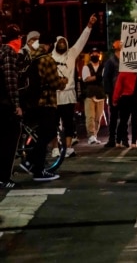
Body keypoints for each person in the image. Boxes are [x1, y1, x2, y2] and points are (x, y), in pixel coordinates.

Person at [21, 33, 68, 181]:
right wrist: (64, 81)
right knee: (47, 134)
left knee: (41, 134)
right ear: (49, 45)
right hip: (46, 102)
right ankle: (34, 166)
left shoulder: (30, 57)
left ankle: (34, 165)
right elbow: (55, 83)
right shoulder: (47, 59)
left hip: (32, 102)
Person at [51, 14, 97, 158]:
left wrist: (89, 26)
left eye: (64, 42)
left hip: (69, 94)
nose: (62, 44)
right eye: (59, 43)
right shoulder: (49, 57)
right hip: (54, 95)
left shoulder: (71, 54)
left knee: (68, 123)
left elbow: (81, 41)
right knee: (53, 124)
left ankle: (68, 147)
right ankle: (55, 148)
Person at [0, 24, 24, 188]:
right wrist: (16, 104)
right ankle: (3, 178)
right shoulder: (9, 52)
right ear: (17, 39)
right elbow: (10, 80)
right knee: (10, 138)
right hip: (4, 104)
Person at [82, 48, 105, 145]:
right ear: (90, 55)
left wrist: (95, 78)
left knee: (98, 117)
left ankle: (95, 135)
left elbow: (104, 77)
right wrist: (98, 77)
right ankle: (91, 135)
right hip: (89, 94)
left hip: (100, 95)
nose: (95, 55)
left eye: (97, 53)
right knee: (90, 116)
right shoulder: (86, 67)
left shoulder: (103, 67)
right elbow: (86, 79)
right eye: (93, 53)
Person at [112, 71, 137, 148]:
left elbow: (118, 87)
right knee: (135, 121)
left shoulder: (123, 73)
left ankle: (118, 141)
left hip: (125, 98)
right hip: (136, 98)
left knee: (123, 121)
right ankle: (134, 142)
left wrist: (115, 100)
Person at [103, 40, 122, 147]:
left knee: (124, 117)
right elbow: (106, 78)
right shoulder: (110, 61)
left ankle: (122, 138)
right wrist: (109, 92)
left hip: (124, 92)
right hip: (114, 92)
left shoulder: (125, 59)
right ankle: (112, 138)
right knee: (114, 116)